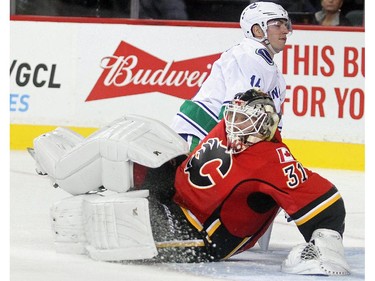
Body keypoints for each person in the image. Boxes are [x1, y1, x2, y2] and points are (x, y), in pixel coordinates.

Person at [30, 89, 350, 275]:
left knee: (94, 222)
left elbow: (324, 200)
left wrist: (324, 244)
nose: (232, 124)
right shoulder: (230, 128)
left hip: (200, 232)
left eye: (243, 119)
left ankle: (66, 167)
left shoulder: (273, 159)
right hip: (175, 191)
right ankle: (67, 162)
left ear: (264, 124)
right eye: (232, 116)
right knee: (126, 140)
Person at [170, 1, 292, 151]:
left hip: (215, 140)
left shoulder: (277, 78)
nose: (285, 30)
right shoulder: (244, 56)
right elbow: (234, 113)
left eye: (286, 25)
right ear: (258, 30)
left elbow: (272, 129)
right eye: (278, 25)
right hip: (197, 133)